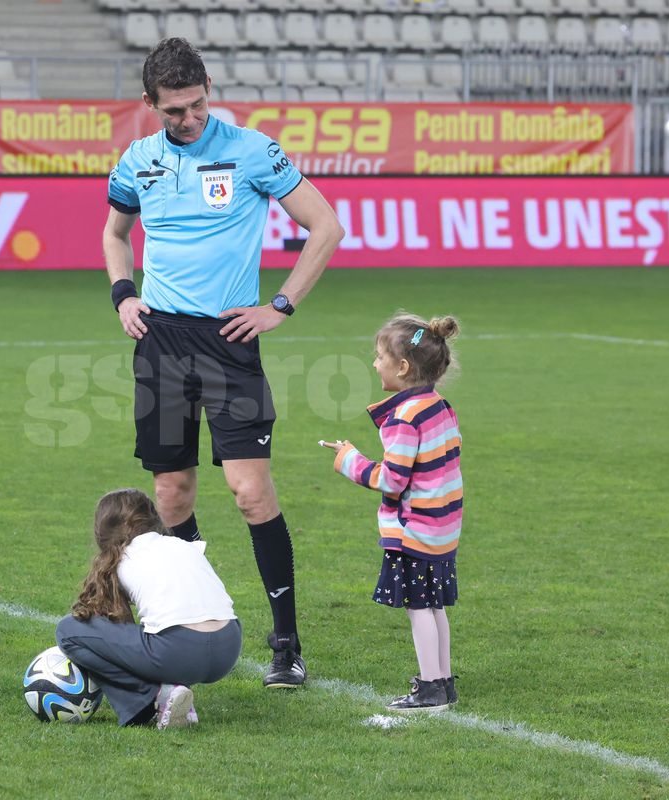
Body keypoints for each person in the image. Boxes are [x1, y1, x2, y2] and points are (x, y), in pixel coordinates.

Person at [103, 37, 344, 689]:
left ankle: (287, 644)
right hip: (160, 343)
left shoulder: (251, 150)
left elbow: (326, 224)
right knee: (171, 492)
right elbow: (116, 232)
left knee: (249, 491)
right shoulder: (137, 160)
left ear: (208, 89)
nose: (189, 118)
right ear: (149, 104)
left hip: (230, 341)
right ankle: (195, 623)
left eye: (197, 104)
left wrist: (281, 306)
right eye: (174, 110)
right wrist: (123, 293)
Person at [319, 312, 463, 712]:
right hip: (443, 526)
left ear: (402, 367)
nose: (374, 363)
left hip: (416, 528)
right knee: (435, 605)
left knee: (418, 607)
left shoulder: (403, 417)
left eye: (379, 356)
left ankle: (431, 687)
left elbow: (393, 480)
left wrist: (350, 460)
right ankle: (444, 681)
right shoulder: (439, 406)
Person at [56, 488, 242, 728]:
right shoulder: (184, 545)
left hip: (179, 652)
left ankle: (151, 698)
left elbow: (116, 627)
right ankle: (174, 695)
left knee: (68, 631)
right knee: (158, 627)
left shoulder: (121, 558)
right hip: (229, 646)